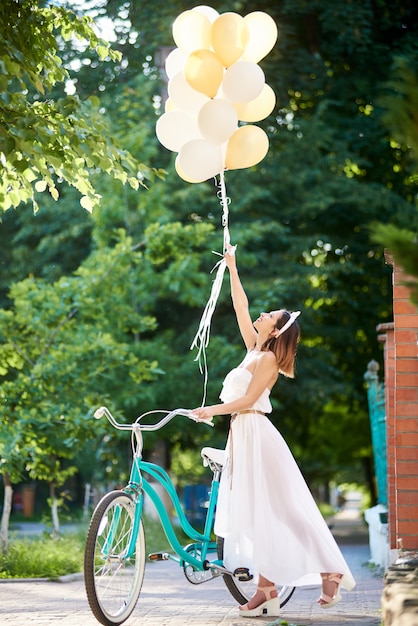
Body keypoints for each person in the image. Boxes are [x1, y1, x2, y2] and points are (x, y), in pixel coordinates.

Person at [191, 245, 355, 618]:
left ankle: (327, 570)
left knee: (282, 510)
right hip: (242, 437)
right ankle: (266, 588)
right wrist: (232, 267)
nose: (262, 315)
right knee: (257, 513)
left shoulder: (266, 359)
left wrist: (210, 411)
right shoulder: (253, 348)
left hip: (257, 436)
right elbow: (240, 306)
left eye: (270, 316)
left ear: (275, 329)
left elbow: (249, 399)